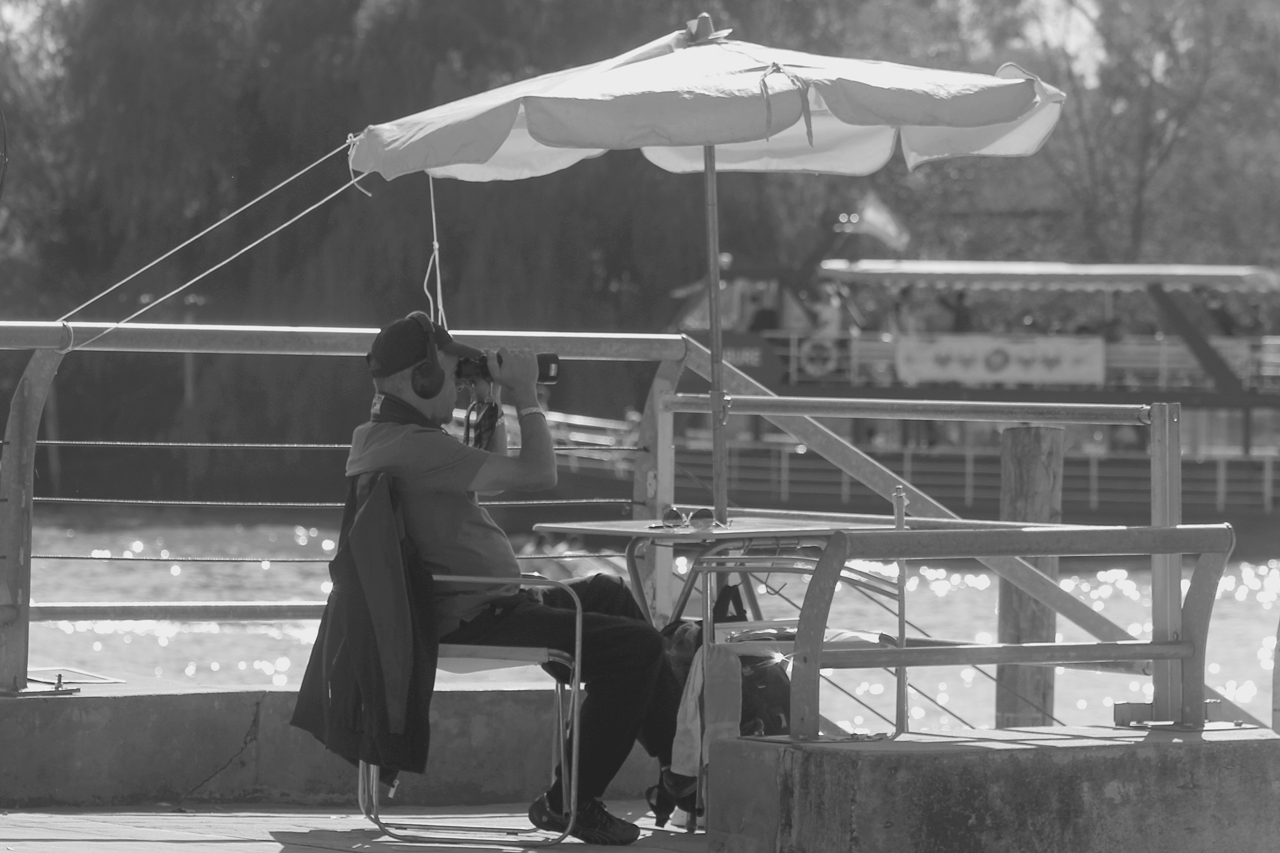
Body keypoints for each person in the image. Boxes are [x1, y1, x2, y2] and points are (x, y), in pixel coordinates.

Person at [347, 312, 690, 845]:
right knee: (637, 648)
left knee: (608, 595)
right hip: (473, 615)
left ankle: (679, 772)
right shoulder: (417, 447)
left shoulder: (387, 437)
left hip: (476, 602)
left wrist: (491, 402)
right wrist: (527, 396)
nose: (457, 385)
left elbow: (492, 479)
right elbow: (537, 473)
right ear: (422, 379)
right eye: (451, 374)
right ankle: (569, 803)